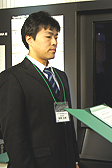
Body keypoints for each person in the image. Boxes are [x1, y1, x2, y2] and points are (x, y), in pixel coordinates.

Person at [0, 11, 79, 168]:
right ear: (29, 39)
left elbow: (67, 122)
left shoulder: (61, 76)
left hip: (65, 161)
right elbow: (14, 135)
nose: (54, 42)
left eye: (56, 37)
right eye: (48, 37)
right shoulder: (12, 77)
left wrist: (74, 159)